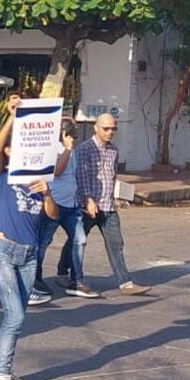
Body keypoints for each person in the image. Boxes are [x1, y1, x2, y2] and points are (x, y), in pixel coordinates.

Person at [0, 96, 59, 380]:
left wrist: (47, 194)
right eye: (13, 148)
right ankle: (0, 374)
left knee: (19, 317)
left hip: (28, 255)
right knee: (14, 316)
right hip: (3, 250)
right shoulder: (2, 177)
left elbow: (52, 215)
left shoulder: (38, 182)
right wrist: (13, 117)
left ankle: (6, 370)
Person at [75, 113, 150, 296]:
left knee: (116, 243)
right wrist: (88, 200)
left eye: (113, 129)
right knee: (77, 242)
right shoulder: (85, 148)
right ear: (96, 127)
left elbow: (112, 176)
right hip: (88, 206)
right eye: (106, 128)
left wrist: (115, 199)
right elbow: (81, 176)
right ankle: (65, 273)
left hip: (108, 206)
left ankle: (125, 283)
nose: (110, 132)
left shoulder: (114, 151)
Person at [34, 120, 98, 299]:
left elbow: (74, 175)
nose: (73, 137)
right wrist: (68, 149)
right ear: (61, 133)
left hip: (72, 206)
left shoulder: (73, 151)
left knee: (80, 240)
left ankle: (76, 280)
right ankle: (35, 279)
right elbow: (57, 172)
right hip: (54, 204)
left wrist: (83, 199)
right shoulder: (53, 149)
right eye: (70, 133)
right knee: (43, 243)